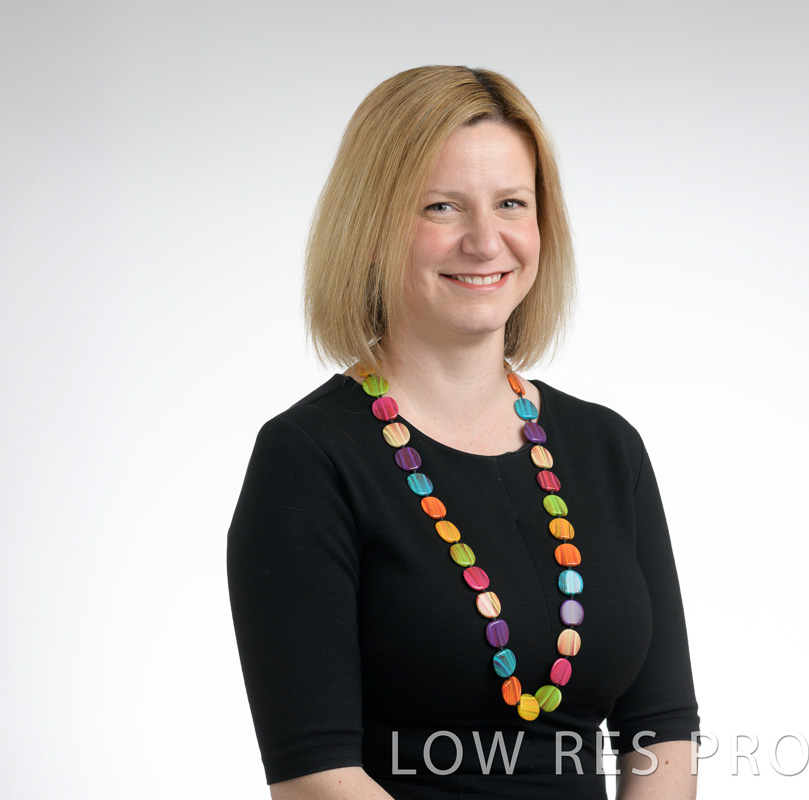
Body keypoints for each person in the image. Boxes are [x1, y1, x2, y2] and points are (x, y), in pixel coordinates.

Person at [226, 65, 699, 800]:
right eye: (442, 207)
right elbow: (315, 778)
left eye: (511, 203)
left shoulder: (608, 448)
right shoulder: (309, 458)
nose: (485, 242)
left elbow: (662, 732)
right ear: (371, 230)